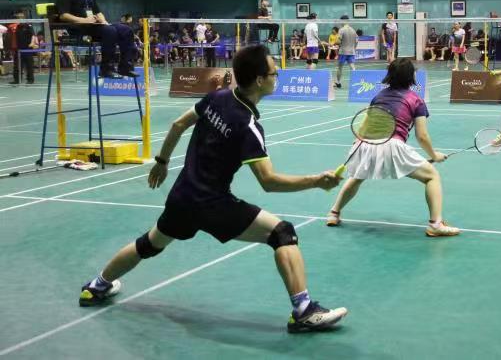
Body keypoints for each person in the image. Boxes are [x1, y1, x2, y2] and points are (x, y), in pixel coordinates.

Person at [78, 45, 348, 333]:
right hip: (213, 204)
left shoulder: (217, 97)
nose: (277, 77)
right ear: (259, 80)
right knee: (282, 233)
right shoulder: (248, 125)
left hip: (182, 197)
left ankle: (97, 286)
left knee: (148, 244)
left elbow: (178, 124)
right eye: (274, 73)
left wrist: (162, 162)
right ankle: (304, 311)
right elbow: (268, 181)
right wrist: (315, 181)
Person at [326, 58, 460, 237]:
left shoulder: (379, 96)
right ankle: (436, 224)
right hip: (391, 144)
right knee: (432, 176)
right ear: (411, 77)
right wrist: (434, 155)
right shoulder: (416, 100)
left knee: (357, 176)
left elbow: (368, 121)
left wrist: (358, 141)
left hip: (364, 143)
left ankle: (334, 213)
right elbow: (422, 136)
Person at [55, 0, 137, 78]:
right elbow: (64, 15)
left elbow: (98, 12)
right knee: (110, 31)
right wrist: (85, 20)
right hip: (79, 30)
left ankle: (125, 67)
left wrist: (104, 22)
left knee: (126, 30)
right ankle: (106, 69)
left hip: (94, 27)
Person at [7, 10, 36, 84]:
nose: (20, 18)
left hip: (27, 49)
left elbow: (33, 35)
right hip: (19, 49)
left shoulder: (28, 26)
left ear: (24, 17)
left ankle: (30, 80)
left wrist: (32, 43)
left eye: (21, 16)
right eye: (18, 17)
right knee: (17, 65)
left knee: (29, 65)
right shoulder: (18, 27)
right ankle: (17, 80)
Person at [334, 16, 358, 89]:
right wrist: (354, 48)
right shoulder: (353, 30)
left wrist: (334, 43)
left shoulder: (342, 30)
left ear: (343, 21)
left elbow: (338, 41)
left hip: (343, 52)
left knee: (340, 67)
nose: (340, 23)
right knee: (352, 67)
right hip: (351, 51)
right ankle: (356, 82)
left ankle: (338, 83)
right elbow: (357, 41)